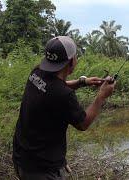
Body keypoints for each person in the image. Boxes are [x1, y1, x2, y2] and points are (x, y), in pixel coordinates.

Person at [12, 36, 116, 180]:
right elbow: (83, 123)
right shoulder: (64, 95)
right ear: (72, 61)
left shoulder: (36, 72)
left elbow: (52, 87)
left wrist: (83, 82)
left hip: (21, 157)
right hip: (42, 169)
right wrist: (101, 96)